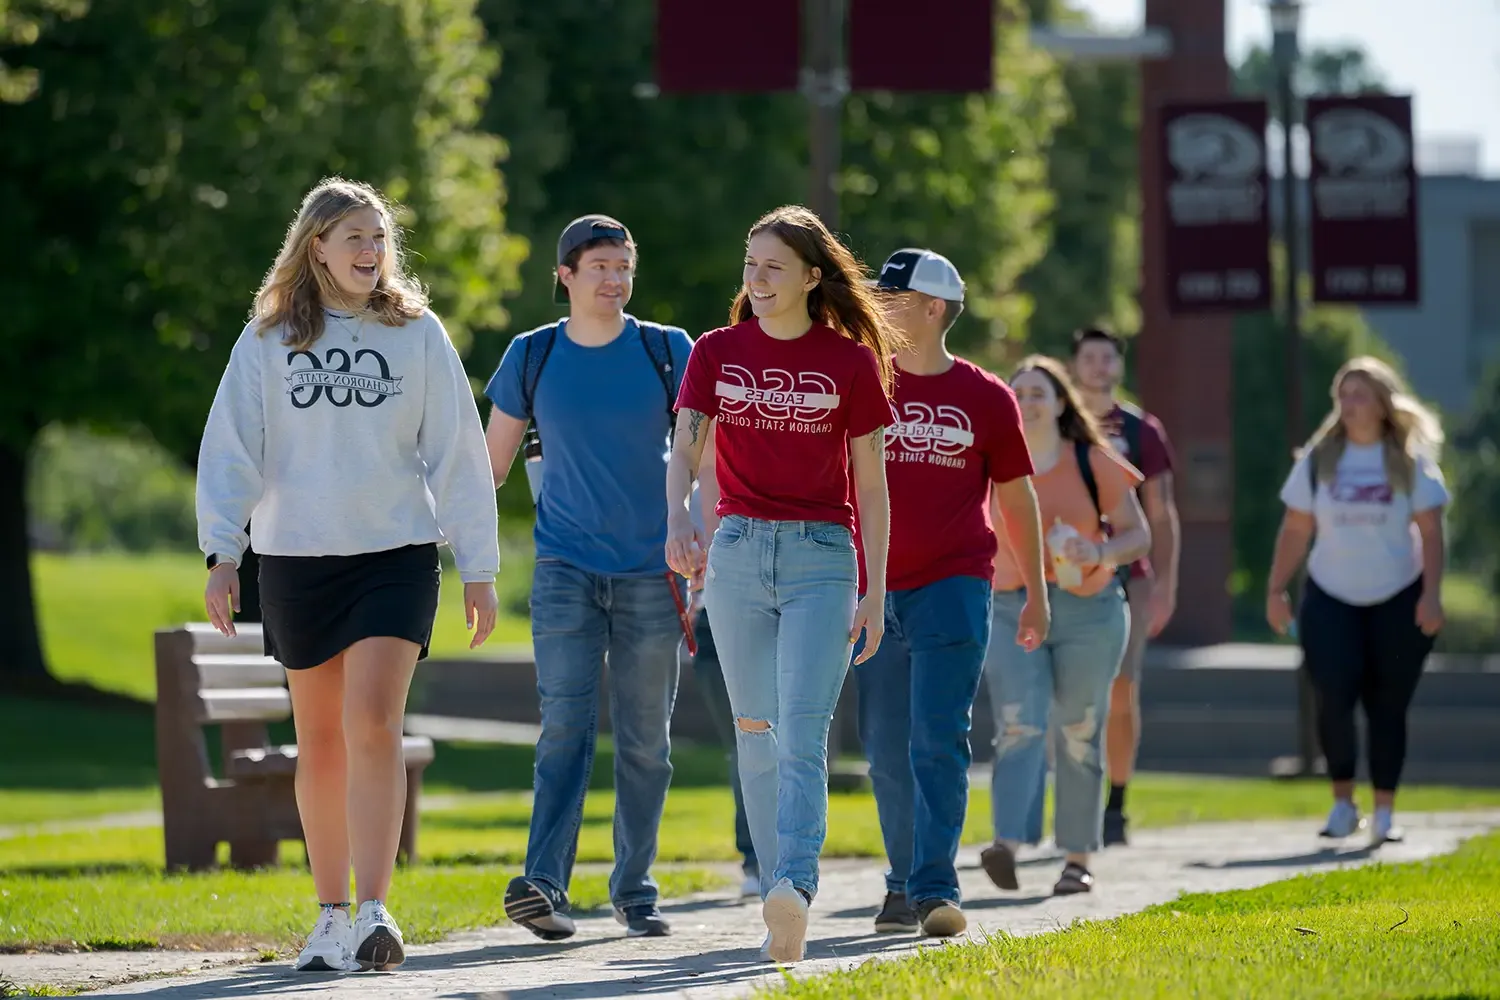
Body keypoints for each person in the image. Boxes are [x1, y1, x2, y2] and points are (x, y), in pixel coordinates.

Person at [197, 177, 500, 974]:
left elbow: (459, 452)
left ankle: (376, 910)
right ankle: (328, 915)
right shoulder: (267, 338)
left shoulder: (417, 332)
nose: (371, 251)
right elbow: (232, 448)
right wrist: (223, 552)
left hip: (395, 555)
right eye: (354, 238)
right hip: (294, 558)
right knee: (319, 741)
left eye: (379, 238)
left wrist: (479, 565)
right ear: (316, 249)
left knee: (373, 723)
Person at [664, 205, 901, 965]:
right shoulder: (716, 352)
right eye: (750, 264)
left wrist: (876, 588)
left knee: (803, 732)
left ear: (810, 276)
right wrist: (677, 521)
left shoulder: (850, 364)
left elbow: (872, 482)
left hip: (823, 557)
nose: (756, 280)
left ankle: (794, 885)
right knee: (754, 733)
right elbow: (684, 451)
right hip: (734, 553)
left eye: (772, 266)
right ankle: (778, 896)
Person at [482, 215, 694, 941]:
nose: (614, 279)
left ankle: (635, 890)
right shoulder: (531, 356)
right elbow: (493, 468)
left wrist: (697, 531)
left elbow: (705, 459)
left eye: (624, 266)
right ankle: (544, 884)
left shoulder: (669, 351)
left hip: (651, 574)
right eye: (600, 265)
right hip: (564, 570)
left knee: (645, 742)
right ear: (566, 275)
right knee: (564, 730)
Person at [853, 248, 1048, 938]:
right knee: (883, 747)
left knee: (938, 738)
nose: (877, 307)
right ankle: (901, 881)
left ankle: (933, 889)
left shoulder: (987, 397)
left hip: (955, 585)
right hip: (870, 590)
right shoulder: (861, 381)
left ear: (934, 308)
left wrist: (1038, 591)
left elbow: (1017, 500)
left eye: (892, 298)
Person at [980, 356, 1149, 896]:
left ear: (1060, 403)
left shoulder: (1090, 460)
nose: (1027, 401)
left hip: (1088, 609)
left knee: (1078, 728)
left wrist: (1097, 548)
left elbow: (1137, 536)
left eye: (1038, 393)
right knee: (1018, 721)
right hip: (1011, 603)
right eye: (1019, 392)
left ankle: (1077, 856)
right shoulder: (988, 459)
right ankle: (1007, 843)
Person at [1266, 356, 1448, 846]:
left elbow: (1430, 532)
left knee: (1388, 705)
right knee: (1333, 697)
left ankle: (1385, 810)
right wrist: (1275, 588)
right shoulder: (1319, 459)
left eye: (1360, 395)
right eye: (1343, 395)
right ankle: (1343, 803)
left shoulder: (1408, 462)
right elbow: (1296, 527)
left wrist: (1431, 595)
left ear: (1384, 404)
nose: (1349, 405)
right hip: (1331, 597)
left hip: (1398, 596)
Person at [1070, 327, 1180, 846]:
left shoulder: (1142, 430)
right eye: (1087, 357)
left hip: (1127, 577)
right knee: (1060, 698)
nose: (1097, 365)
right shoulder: (1054, 423)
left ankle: (1116, 804)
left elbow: (1161, 512)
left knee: (1120, 690)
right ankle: (1071, 803)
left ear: (1117, 365)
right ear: (1073, 364)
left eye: (1105, 357)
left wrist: (1166, 585)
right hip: (1062, 575)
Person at [686, 431, 760, 898]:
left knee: (777, 736)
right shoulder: (688, 492)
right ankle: (753, 857)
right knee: (742, 740)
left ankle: (788, 854)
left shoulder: (758, 476)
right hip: (712, 626)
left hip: (766, 619)